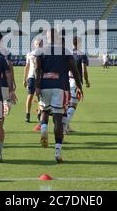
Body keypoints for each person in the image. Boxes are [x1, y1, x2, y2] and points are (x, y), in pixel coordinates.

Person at [35, 29, 83, 163]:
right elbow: (74, 70)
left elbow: (37, 70)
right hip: (59, 86)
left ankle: (43, 129)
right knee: (57, 118)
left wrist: (37, 86)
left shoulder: (41, 51)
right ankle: (57, 151)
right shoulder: (66, 51)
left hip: (44, 86)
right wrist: (79, 86)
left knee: (44, 110)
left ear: (47, 37)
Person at [66, 36, 90, 133]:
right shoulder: (82, 55)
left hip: (67, 81)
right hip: (76, 82)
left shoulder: (69, 54)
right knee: (73, 106)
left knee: (67, 105)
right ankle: (64, 126)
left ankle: (67, 126)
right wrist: (87, 81)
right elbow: (84, 69)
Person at [0, 32, 16, 117]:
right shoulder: (6, 51)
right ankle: (7, 104)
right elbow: (9, 67)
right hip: (4, 81)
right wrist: (13, 81)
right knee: (6, 99)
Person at [23, 37, 43, 123]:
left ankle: (40, 113)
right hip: (31, 77)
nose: (39, 45)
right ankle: (27, 114)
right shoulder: (30, 54)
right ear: (34, 45)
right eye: (37, 44)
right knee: (30, 96)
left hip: (41, 77)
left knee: (40, 97)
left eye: (40, 44)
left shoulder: (44, 54)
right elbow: (27, 67)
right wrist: (25, 78)